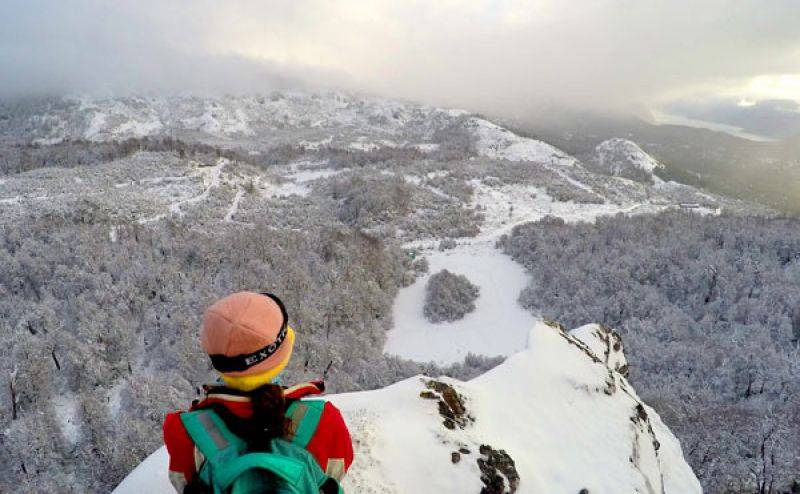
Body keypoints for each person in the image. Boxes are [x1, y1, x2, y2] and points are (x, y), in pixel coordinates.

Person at [163, 291, 354, 493]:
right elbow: (334, 476)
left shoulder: (184, 430)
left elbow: (183, 482)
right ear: (281, 356)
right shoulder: (324, 420)